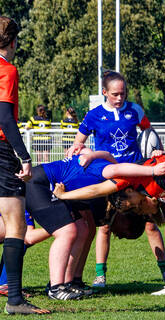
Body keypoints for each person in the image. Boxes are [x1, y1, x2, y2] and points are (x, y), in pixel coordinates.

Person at [53, 153, 165, 300]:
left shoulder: (128, 179)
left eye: (132, 204)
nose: (137, 206)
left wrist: (64, 196)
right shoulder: (156, 185)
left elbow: (96, 189)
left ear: (127, 190)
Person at [66, 70, 165, 288]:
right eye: (115, 94)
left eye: (122, 93)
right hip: (108, 177)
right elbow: (79, 141)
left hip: (136, 175)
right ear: (104, 92)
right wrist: (77, 148)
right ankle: (100, 276)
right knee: (103, 226)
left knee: (151, 224)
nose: (120, 98)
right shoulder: (93, 115)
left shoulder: (135, 110)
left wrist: (156, 151)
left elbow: (149, 133)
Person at [26, 149, 165, 300]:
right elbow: (115, 169)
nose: (137, 205)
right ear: (126, 189)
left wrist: (92, 155)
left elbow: (108, 156)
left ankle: (68, 283)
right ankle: (55, 288)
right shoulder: (110, 172)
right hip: (40, 183)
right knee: (68, 232)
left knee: (83, 230)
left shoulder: (110, 171)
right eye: (138, 203)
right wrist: (153, 170)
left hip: (51, 183)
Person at [0, 16, 50, 314]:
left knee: (6, 224)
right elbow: (5, 117)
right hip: (2, 151)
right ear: (14, 41)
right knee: (17, 224)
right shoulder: (7, 70)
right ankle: (15, 300)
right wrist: (25, 157)